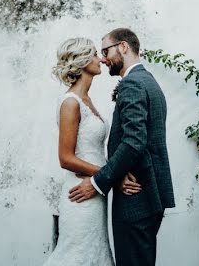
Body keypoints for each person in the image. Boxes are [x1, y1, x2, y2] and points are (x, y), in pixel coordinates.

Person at [69, 28, 175, 266]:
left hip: (135, 197)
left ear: (124, 47)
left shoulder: (133, 85)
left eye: (105, 51)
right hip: (149, 195)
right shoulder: (148, 81)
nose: (104, 58)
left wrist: (98, 182)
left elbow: (133, 142)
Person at [44, 37, 136, 265]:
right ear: (83, 61)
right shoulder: (70, 102)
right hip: (81, 193)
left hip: (95, 191)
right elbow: (65, 158)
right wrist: (112, 176)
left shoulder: (87, 100)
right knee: (78, 255)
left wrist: (106, 178)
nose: (101, 59)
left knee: (95, 252)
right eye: (95, 54)